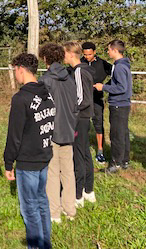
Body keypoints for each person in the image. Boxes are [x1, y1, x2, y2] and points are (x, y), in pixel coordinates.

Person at [4, 53, 55, 249]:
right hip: (44, 155)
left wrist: (9, 163)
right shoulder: (47, 93)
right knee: (41, 201)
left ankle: (36, 246)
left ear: (20, 69)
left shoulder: (21, 99)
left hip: (28, 161)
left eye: (14, 71)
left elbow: (14, 135)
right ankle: (45, 243)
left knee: (30, 209)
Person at [38, 43, 78, 223]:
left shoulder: (45, 80)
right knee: (68, 171)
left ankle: (54, 213)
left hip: (52, 130)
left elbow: (42, 109)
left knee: (52, 172)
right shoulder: (70, 78)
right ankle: (70, 209)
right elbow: (75, 106)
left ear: (45, 58)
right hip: (69, 129)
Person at [64, 42, 96, 207]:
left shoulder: (78, 71)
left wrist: (69, 111)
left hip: (79, 117)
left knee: (78, 154)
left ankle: (77, 195)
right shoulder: (85, 69)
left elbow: (81, 98)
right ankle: (89, 190)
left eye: (64, 53)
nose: (63, 56)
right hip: (85, 117)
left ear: (70, 54)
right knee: (85, 153)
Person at [94, 39, 132, 174]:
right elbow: (117, 82)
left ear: (115, 51)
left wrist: (103, 87)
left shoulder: (120, 67)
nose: (108, 52)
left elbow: (121, 87)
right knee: (123, 133)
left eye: (109, 49)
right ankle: (124, 160)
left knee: (116, 134)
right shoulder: (122, 65)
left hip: (118, 104)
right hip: (123, 104)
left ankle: (115, 163)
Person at [81, 41, 112, 163]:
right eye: (85, 54)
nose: (87, 56)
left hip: (96, 98)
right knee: (82, 123)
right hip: (82, 98)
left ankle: (100, 151)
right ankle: (82, 149)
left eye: (89, 54)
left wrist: (105, 86)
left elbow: (115, 74)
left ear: (94, 52)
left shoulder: (102, 63)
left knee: (98, 124)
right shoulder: (80, 62)